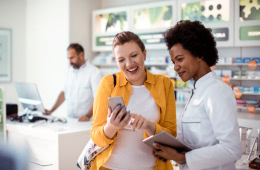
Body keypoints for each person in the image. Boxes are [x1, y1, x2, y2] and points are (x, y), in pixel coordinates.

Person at [153, 20, 242, 170]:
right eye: (174, 61)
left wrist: (182, 157)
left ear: (199, 54)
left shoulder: (217, 91)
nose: (175, 67)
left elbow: (231, 149)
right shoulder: (196, 90)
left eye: (180, 59)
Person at [90, 31, 177, 170]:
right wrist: (111, 126)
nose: (129, 64)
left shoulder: (164, 84)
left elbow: (171, 135)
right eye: (121, 60)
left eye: (134, 55)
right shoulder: (108, 83)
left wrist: (149, 126)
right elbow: (96, 137)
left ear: (144, 54)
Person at [44, 43, 102, 121]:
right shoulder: (70, 71)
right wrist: (51, 111)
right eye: (68, 58)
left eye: (72, 58)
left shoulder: (94, 72)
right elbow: (64, 94)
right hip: (71, 120)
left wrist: (87, 116)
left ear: (81, 55)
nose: (70, 61)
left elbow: (98, 97)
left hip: (87, 121)